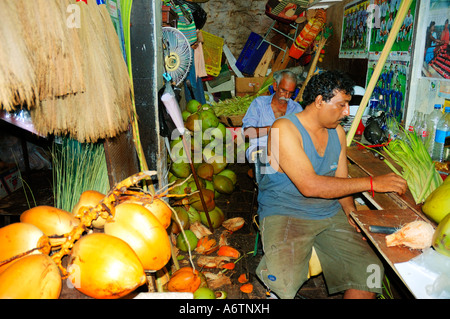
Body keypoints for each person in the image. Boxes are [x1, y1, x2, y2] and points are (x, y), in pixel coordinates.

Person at [255, 70, 407, 299]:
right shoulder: (283, 128)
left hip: (328, 212)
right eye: (342, 104)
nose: (346, 112)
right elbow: (310, 186)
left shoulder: (337, 132)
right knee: (283, 282)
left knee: (371, 272)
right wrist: (373, 182)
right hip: (286, 211)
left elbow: (341, 180)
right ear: (319, 101)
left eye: (348, 105)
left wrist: (351, 212)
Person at [241, 69, 303, 162]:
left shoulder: (296, 109)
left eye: (290, 93)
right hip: (260, 149)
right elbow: (247, 133)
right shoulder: (259, 103)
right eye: (283, 90)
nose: (286, 96)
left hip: (287, 151)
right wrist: (272, 129)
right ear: (275, 86)